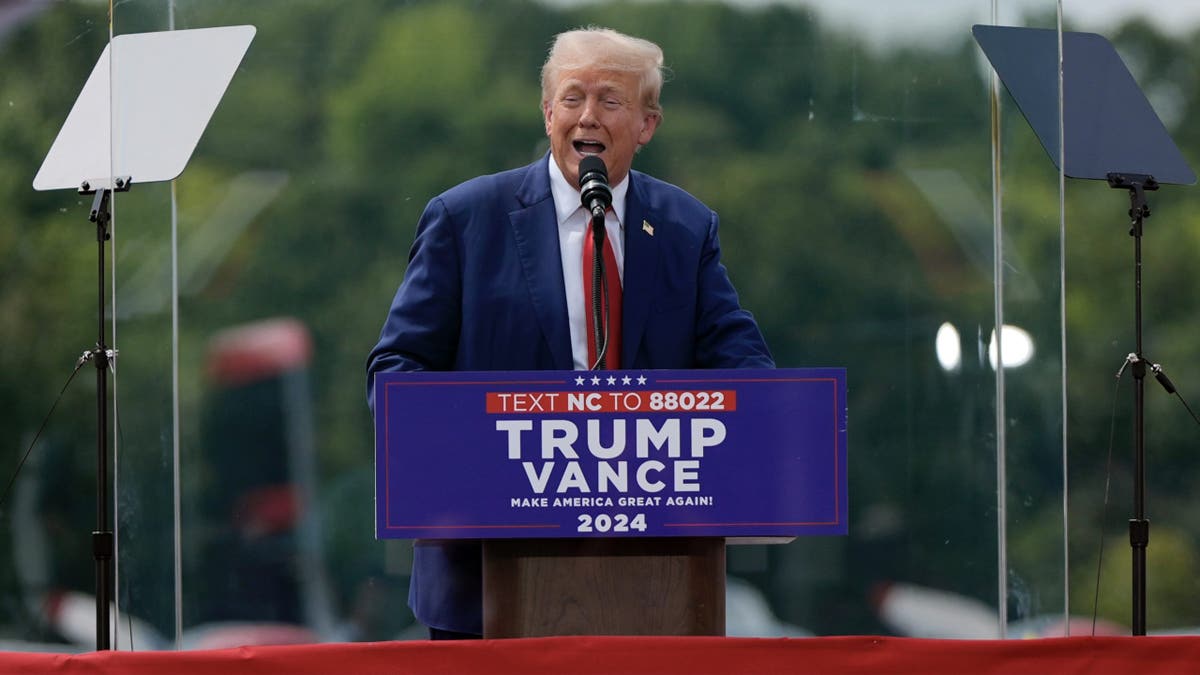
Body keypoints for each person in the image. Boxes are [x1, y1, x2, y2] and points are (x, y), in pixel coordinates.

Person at [366, 26, 773, 639]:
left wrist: (764, 418)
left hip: (654, 581)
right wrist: (474, 445)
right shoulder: (464, 219)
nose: (588, 115)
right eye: (573, 96)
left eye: (611, 100)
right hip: (483, 583)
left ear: (646, 124)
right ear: (548, 110)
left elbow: (741, 363)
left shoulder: (686, 228)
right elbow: (396, 370)